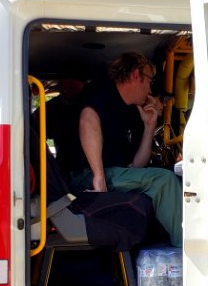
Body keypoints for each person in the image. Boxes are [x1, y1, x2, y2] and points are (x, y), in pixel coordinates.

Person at [70, 52, 182, 248]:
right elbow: (87, 121)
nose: (150, 88)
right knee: (165, 180)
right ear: (135, 75)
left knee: (163, 180)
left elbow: (137, 166)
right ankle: (183, 251)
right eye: (149, 80)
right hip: (85, 176)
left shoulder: (130, 111)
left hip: (112, 174)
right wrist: (98, 177)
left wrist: (149, 126)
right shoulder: (101, 90)